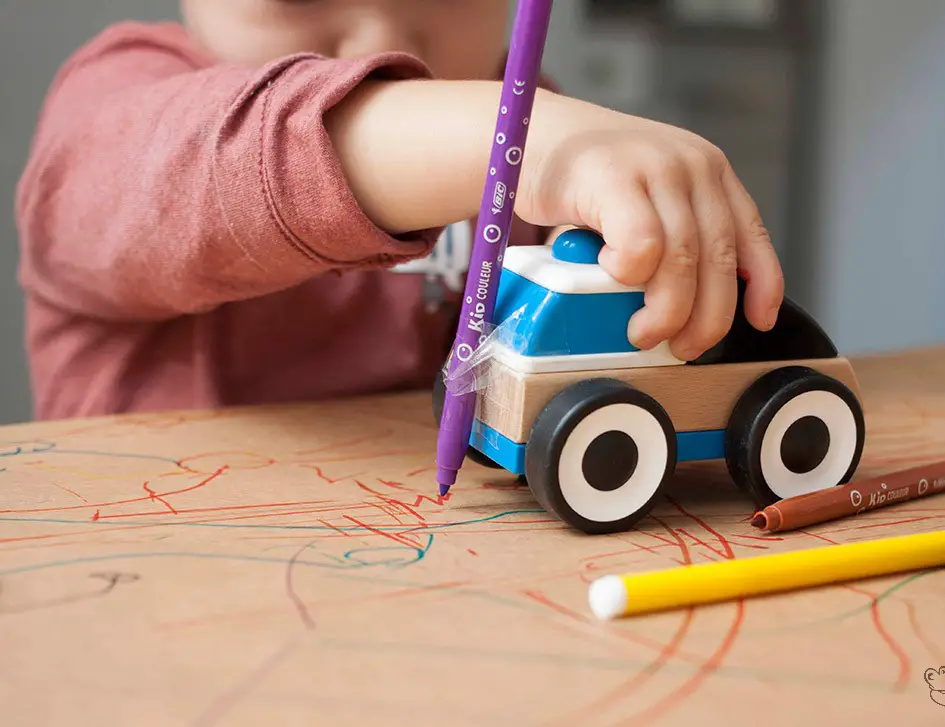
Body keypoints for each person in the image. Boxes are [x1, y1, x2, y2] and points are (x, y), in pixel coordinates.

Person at [14, 0, 784, 421]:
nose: (379, 39)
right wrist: (512, 137)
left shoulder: (549, 138)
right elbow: (201, 165)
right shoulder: (112, 112)